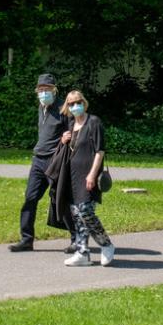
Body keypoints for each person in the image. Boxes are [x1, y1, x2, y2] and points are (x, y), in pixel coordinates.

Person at [8, 72, 76, 253]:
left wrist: (67, 137)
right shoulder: (42, 106)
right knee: (30, 198)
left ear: (54, 90)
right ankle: (26, 239)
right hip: (38, 160)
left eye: (47, 89)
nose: (43, 92)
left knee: (60, 199)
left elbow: (74, 131)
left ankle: (77, 239)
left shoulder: (64, 108)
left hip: (56, 160)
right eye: (41, 89)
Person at [60, 90, 115, 268]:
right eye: (71, 103)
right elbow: (69, 149)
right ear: (67, 107)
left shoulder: (94, 122)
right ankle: (82, 252)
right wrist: (63, 140)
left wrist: (92, 174)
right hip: (72, 176)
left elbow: (100, 151)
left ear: (84, 102)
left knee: (85, 211)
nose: (75, 106)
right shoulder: (70, 124)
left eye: (78, 102)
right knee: (76, 214)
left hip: (88, 175)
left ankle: (106, 244)